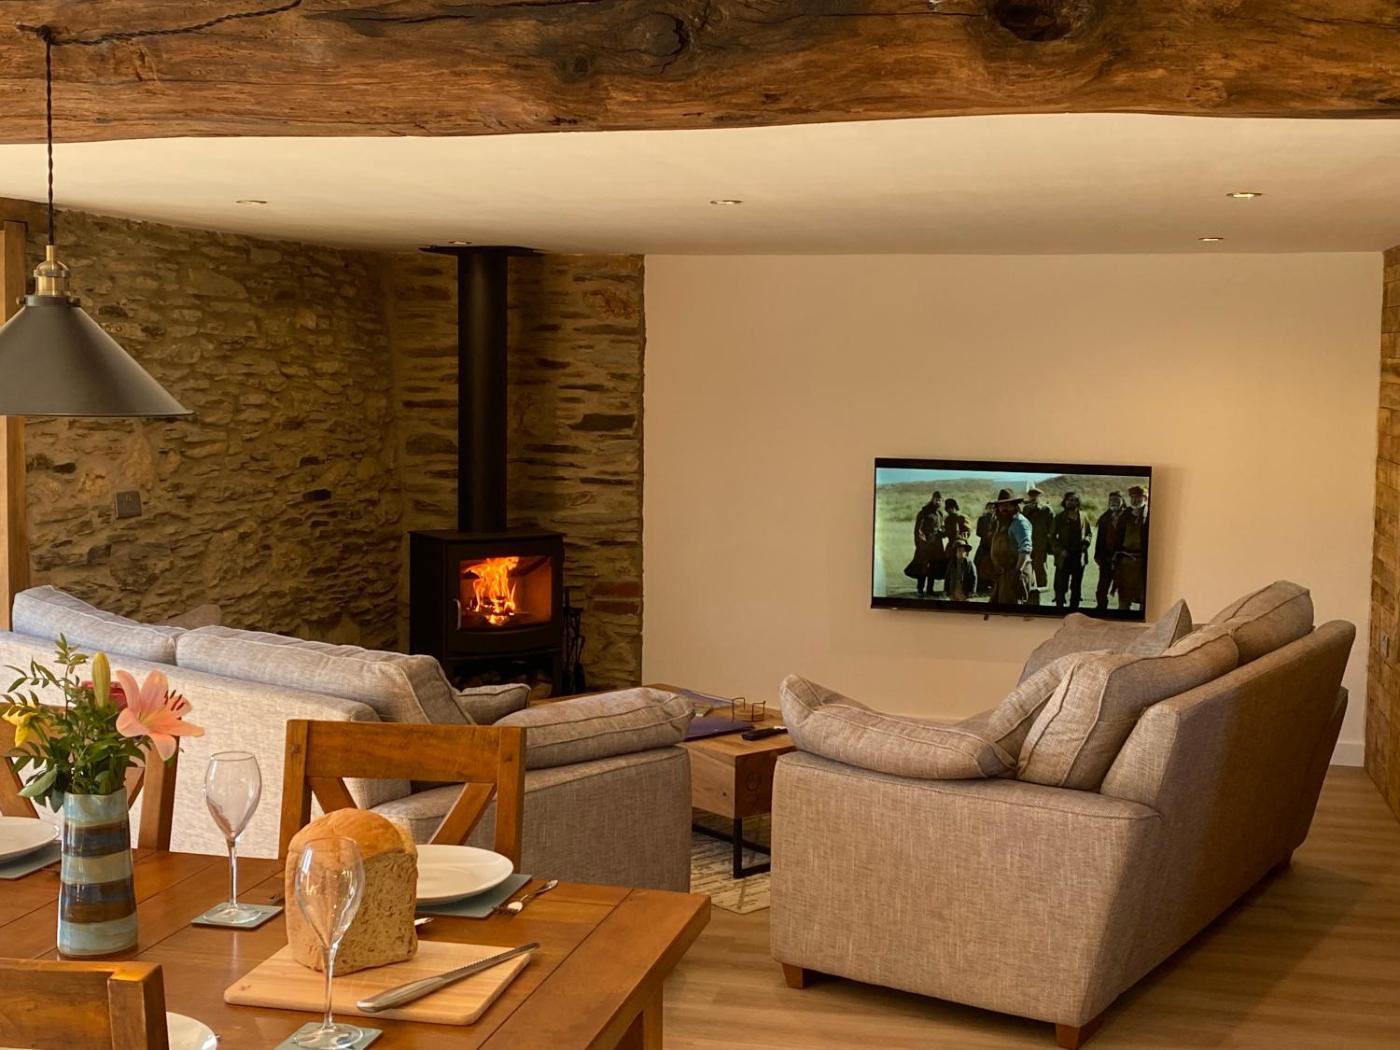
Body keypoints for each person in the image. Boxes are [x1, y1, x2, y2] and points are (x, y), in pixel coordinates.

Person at [989, 489, 1034, 606]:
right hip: (1003, 574)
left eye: (1008, 505)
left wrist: (1017, 573)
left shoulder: (1020, 523)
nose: (1004, 508)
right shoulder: (1002, 523)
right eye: (1001, 505)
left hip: (1016, 573)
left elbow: (1025, 550)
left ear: (1015, 506)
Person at [1050, 491, 1092, 609]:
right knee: (1060, 586)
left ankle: (1074, 610)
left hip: (1078, 556)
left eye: (1073, 500)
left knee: (1076, 586)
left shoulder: (1083, 516)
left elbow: (1089, 533)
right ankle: (1059, 609)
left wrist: (1086, 542)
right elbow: (1052, 537)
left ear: (1077, 502)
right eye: (1068, 500)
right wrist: (1060, 550)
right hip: (1064, 557)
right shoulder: (1059, 517)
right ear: (1065, 502)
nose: (1070, 502)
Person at [1115, 485, 1150, 610]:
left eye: (1138, 497)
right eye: (1132, 497)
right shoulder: (1125, 516)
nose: (1135, 500)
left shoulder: (1150, 516)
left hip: (1142, 563)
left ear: (1145, 498)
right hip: (1125, 562)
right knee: (1124, 598)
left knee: (1144, 599)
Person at [907, 491, 946, 597]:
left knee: (934, 567)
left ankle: (930, 590)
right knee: (923, 568)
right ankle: (920, 589)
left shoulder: (940, 514)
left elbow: (942, 527)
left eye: (940, 500)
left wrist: (943, 532)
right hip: (925, 546)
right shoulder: (924, 513)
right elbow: (918, 530)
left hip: (937, 545)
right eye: (936, 499)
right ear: (932, 499)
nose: (938, 502)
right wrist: (922, 544)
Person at [1094, 491, 1125, 610]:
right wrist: (1097, 555)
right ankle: (1101, 609)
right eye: (1111, 500)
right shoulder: (1104, 518)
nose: (1114, 502)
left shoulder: (1127, 517)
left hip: (1122, 559)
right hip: (1106, 558)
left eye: (1117, 500)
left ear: (1122, 501)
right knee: (1102, 588)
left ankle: (1123, 612)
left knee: (1123, 589)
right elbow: (1099, 539)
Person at [1022, 487, 1054, 591]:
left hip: (1041, 542)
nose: (1033, 498)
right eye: (1031, 496)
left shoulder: (1046, 509)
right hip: (1028, 542)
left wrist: (1049, 541)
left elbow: (1052, 527)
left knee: (1040, 567)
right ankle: (1028, 588)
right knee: (1027, 567)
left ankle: (1042, 589)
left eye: (1035, 496)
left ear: (1039, 496)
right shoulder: (1026, 509)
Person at [973, 501, 997, 595]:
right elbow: (978, 532)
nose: (991, 510)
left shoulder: (997, 519)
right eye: (989, 508)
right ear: (986, 509)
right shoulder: (982, 519)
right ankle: (980, 586)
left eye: (992, 508)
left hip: (993, 545)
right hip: (984, 545)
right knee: (979, 564)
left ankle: (994, 585)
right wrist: (986, 535)